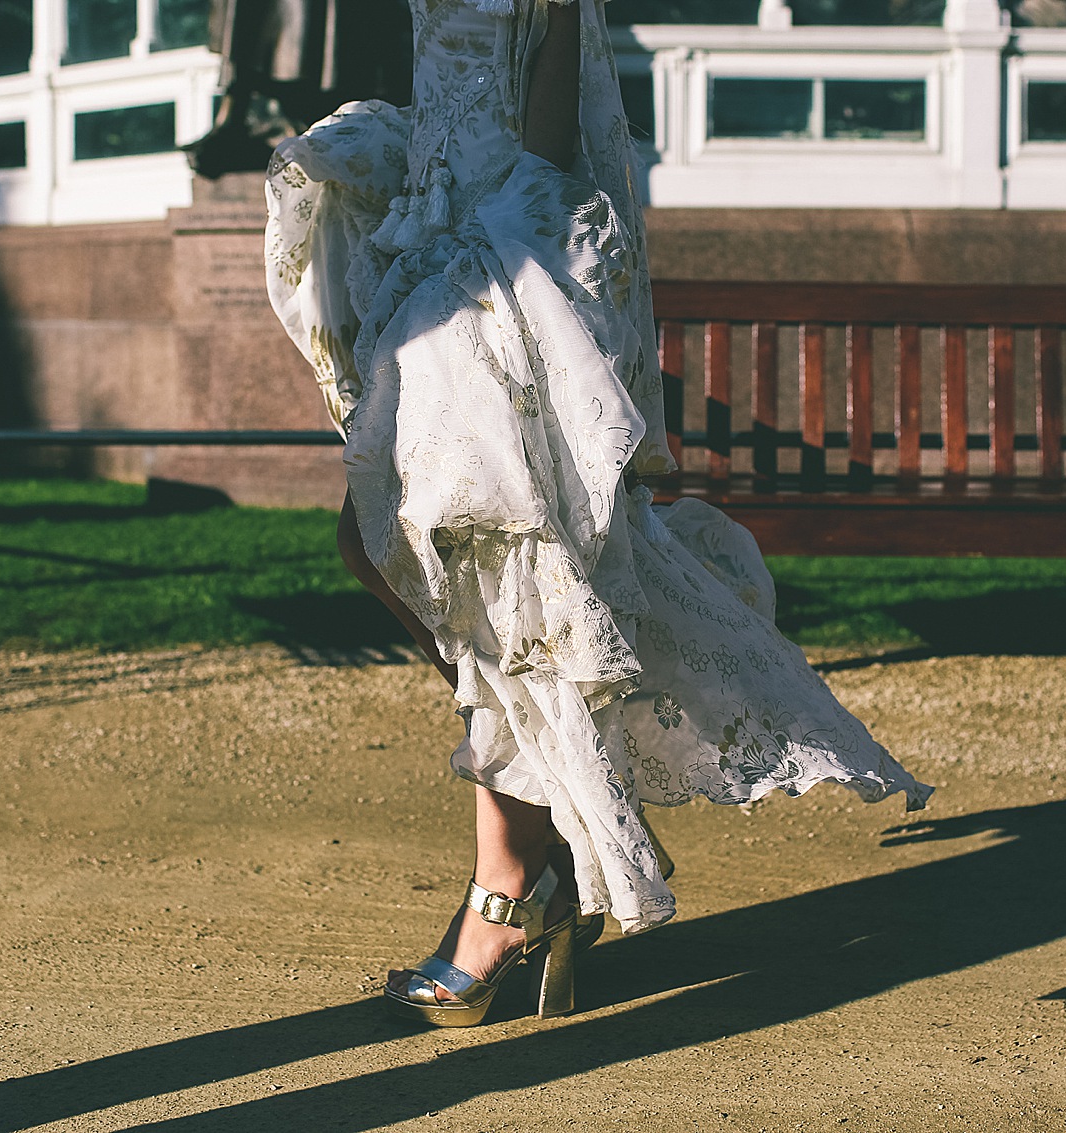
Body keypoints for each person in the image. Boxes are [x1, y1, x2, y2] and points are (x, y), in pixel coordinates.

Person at [263, 0, 932, 1027]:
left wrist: (508, 274)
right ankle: (538, 857)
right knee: (431, 566)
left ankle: (509, 888)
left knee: (497, 583)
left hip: (505, 254)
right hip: (441, 239)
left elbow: (560, 115)